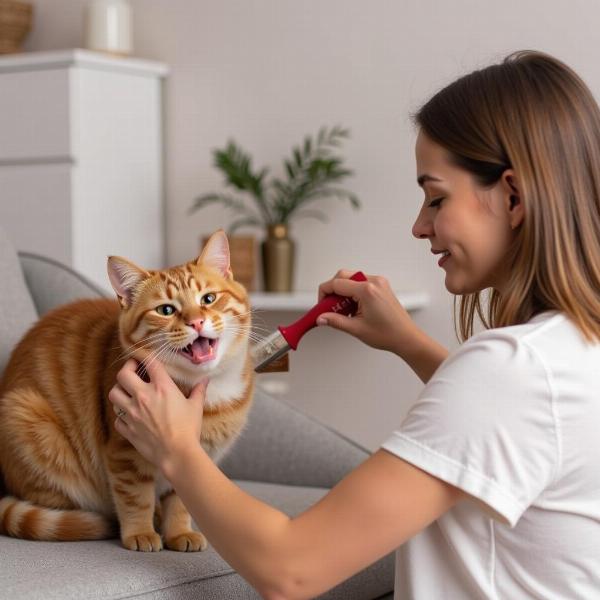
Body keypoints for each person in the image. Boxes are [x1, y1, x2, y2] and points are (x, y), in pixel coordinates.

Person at [108, 50, 600, 599]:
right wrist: (408, 344)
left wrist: (177, 449)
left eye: (435, 197)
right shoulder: (571, 348)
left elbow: (290, 569)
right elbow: (517, 426)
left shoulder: (508, 372)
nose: (419, 226)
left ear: (513, 195)